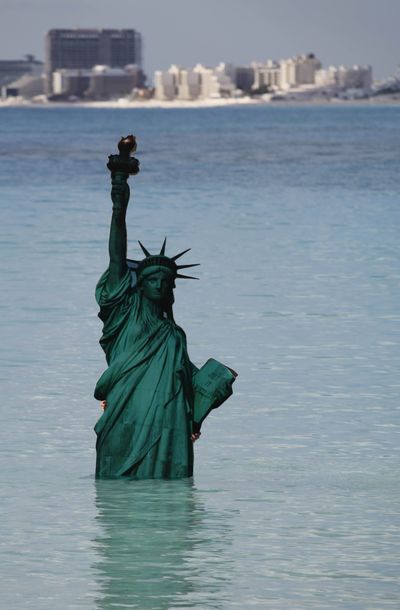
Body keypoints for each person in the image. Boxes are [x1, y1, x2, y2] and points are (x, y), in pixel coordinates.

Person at [94, 171, 236, 479]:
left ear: (171, 288)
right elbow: (116, 257)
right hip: (125, 417)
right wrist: (119, 199)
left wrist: (207, 397)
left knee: (171, 508)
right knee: (117, 507)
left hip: (169, 426)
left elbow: (185, 377)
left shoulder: (174, 334)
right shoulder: (123, 314)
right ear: (139, 285)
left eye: (165, 281)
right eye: (151, 279)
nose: (159, 285)